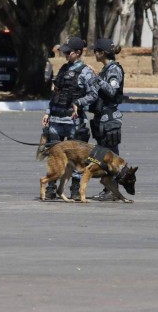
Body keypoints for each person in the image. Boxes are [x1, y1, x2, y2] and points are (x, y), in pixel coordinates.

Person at [42, 37, 98, 201]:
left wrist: (79, 102)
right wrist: (47, 112)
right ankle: (52, 187)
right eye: (64, 51)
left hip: (74, 122)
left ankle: (75, 188)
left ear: (78, 53)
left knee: (75, 157)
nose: (65, 54)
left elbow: (93, 94)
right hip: (56, 121)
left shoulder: (86, 72)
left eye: (68, 52)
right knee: (53, 155)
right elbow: (57, 92)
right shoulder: (64, 69)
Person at [89, 38, 125, 201]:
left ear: (101, 53)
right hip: (101, 117)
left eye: (95, 51)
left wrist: (96, 78)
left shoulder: (114, 70)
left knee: (110, 155)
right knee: (103, 156)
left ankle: (113, 189)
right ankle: (109, 188)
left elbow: (112, 90)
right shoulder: (106, 69)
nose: (94, 54)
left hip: (109, 118)